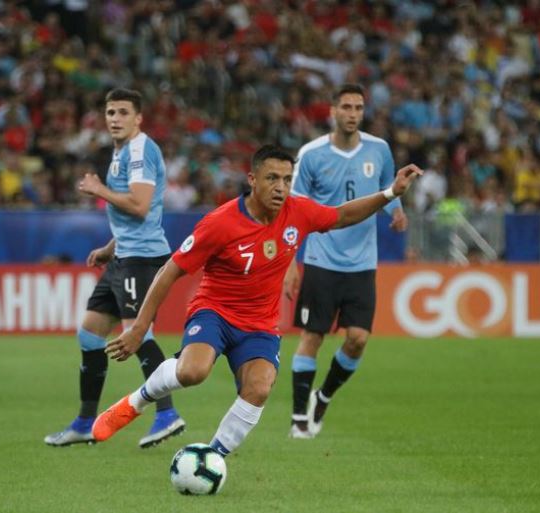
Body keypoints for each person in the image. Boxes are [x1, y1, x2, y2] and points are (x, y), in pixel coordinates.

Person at [89, 144, 421, 457]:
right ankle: (135, 403)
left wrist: (391, 192)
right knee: (193, 372)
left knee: (259, 387)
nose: (281, 187)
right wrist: (139, 327)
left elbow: (343, 215)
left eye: (287, 179)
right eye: (272, 178)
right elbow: (170, 270)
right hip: (214, 313)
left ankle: (212, 457)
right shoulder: (220, 223)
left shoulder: (298, 212)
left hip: (260, 324)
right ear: (252, 180)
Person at [44, 88, 185, 448]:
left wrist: (98, 189)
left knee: (138, 335)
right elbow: (138, 215)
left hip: (142, 258)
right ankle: (84, 422)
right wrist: (110, 247)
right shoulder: (122, 151)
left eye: (123, 112)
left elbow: (138, 206)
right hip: (124, 255)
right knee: (90, 334)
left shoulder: (141, 149)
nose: (115, 119)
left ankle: (167, 414)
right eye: (110, 112)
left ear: (138, 118)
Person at [284, 84, 409, 439]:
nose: (353, 113)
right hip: (322, 259)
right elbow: (293, 212)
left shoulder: (379, 149)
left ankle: (322, 397)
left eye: (358, 107)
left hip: (362, 263)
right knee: (313, 336)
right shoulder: (311, 155)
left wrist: (396, 211)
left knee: (357, 339)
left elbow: (387, 187)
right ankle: (298, 419)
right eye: (347, 107)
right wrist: (290, 263)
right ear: (332, 111)